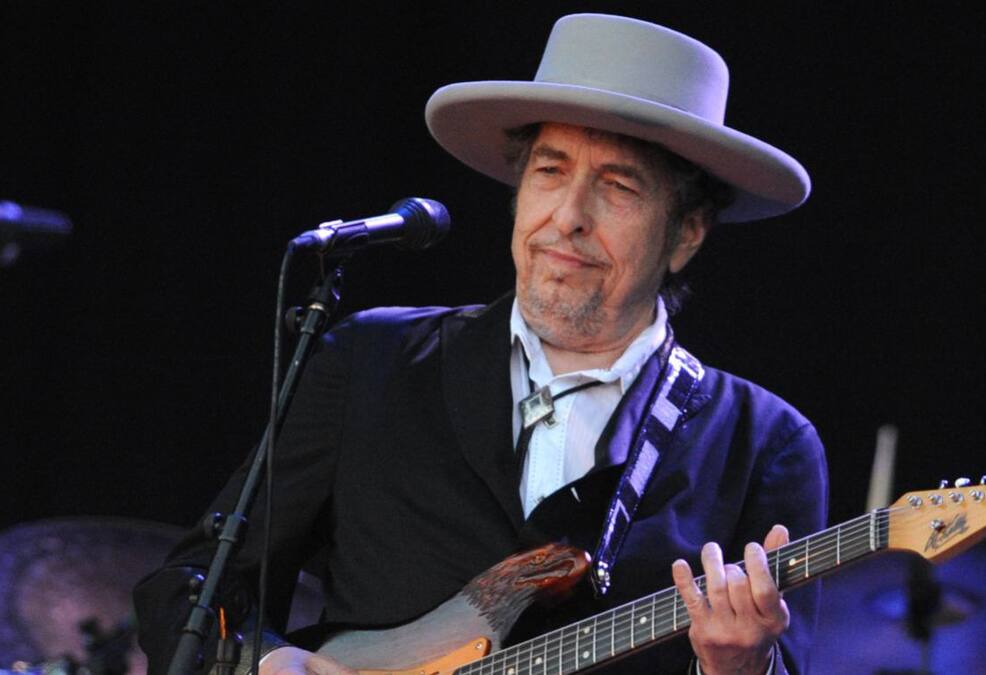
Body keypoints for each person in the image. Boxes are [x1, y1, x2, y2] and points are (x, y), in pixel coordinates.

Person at [134, 13, 827, 675]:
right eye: (550, 171)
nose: (568, 217)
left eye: (618, 187)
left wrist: (739, 664)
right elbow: (194, 586)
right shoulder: (371, 360)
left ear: (687, 233)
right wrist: (266, 660)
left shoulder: (765, 444)